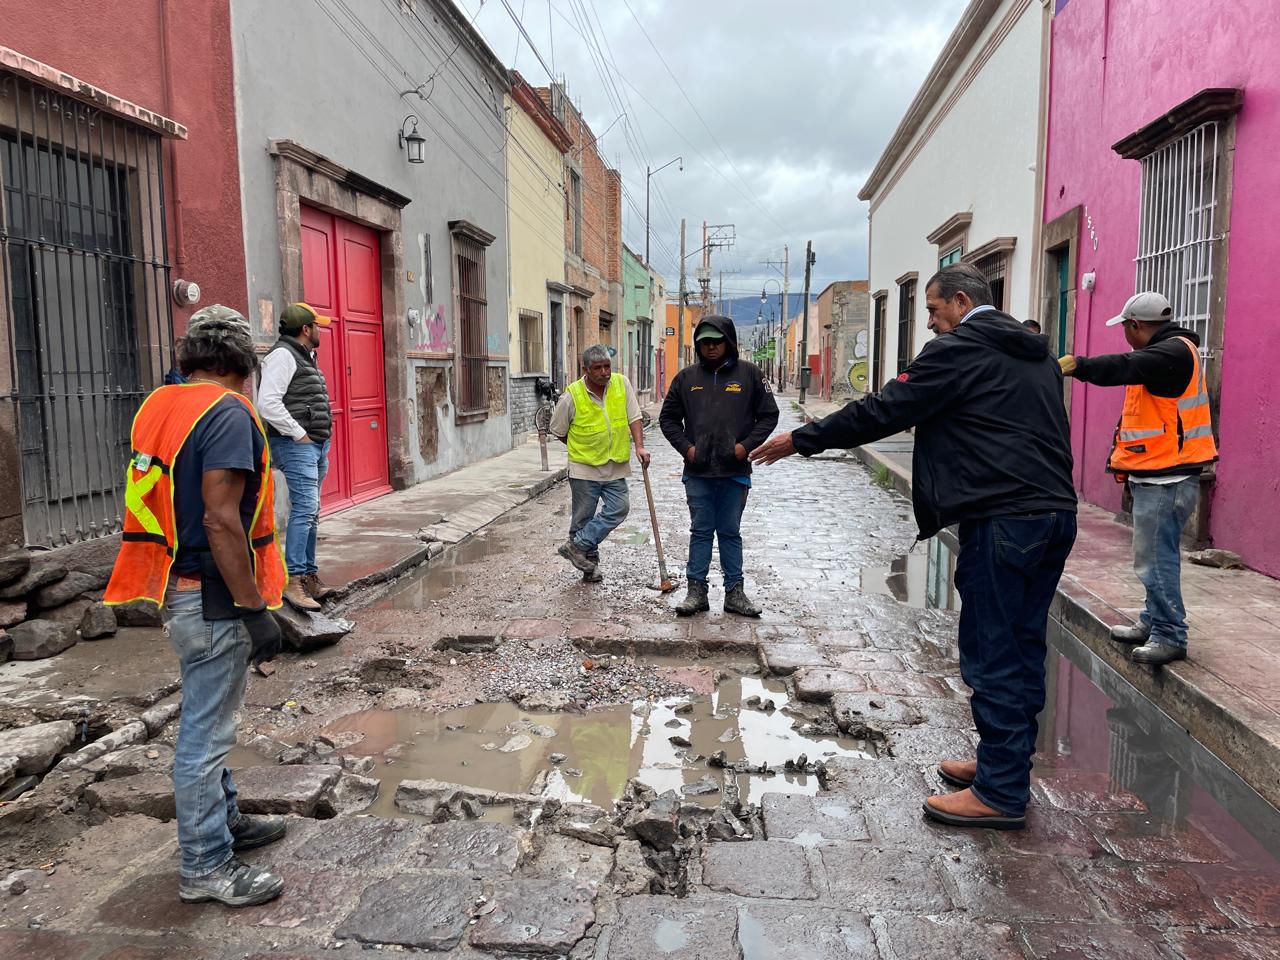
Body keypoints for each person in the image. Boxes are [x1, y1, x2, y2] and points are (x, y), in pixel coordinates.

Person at [751, 264, 1077, 831]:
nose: (928, 323)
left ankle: (1000, 793)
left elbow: (883, 410)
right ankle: (1003, 764)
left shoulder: (959, 351)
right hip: (1054, 515)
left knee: (993, 651)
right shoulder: (1034, 353)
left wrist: (801, 439)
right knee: (1023, 647)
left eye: (931, 309)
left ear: (958, 301)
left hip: (1003, 519)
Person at [104, 305, 287, 906]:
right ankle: (206, 865)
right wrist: (253, 607)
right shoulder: (229, 413)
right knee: (205, 736)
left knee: (207, 718)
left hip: (171, 588)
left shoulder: (160, 405)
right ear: (244, 364)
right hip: (211, 598)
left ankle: (225, 821)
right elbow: (220, 518)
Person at [1059, 291, 1217, 666]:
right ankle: (1153, 620)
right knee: (1151, 555)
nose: (1125, 336)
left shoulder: (1172, 353)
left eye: (1126, 329)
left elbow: (1122, 366)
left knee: (1155, 559)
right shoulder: (1168, 353)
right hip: (1159, 473)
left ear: (1136, 325)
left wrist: (1078, 365)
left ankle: (1170, 634)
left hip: (1169, 478)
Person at [660, 315, 779, 617]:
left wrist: (744, 447)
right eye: (705, 342)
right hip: (698, 472)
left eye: (716, 341)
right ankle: (696, 591)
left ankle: (734, 593)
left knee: (729, 532)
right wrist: (687, 449)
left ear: (729, 341)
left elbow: (769, 415)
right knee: (700, 531)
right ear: (698, 346)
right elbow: (668, 419)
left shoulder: (750, 375)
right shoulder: (686, 379)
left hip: (734, 473)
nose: (711, 347)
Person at [256, 302, 335, 610]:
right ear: (306, 330)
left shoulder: (304, 356)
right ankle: (294, 581)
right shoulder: (282, 356)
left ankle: (309, 576)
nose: (320, 330)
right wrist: (297, 432)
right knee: (305, 509)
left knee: (312, 510)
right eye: (317, 326)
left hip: (315, 444)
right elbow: (268, 404)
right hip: (297, 444)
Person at [550, 344, 650, 582]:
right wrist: (580, 446)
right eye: (598, 368)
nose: (605, 372)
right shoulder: (571, 396)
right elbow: (558, 430)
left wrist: (639, 446)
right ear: (586, 370)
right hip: (584, 468)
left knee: (619, 508)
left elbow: (634, 417)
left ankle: (577, 546)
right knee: (583, 518)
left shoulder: (621, 384)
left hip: (615, 464)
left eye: (607, 366)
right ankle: (589, 567)